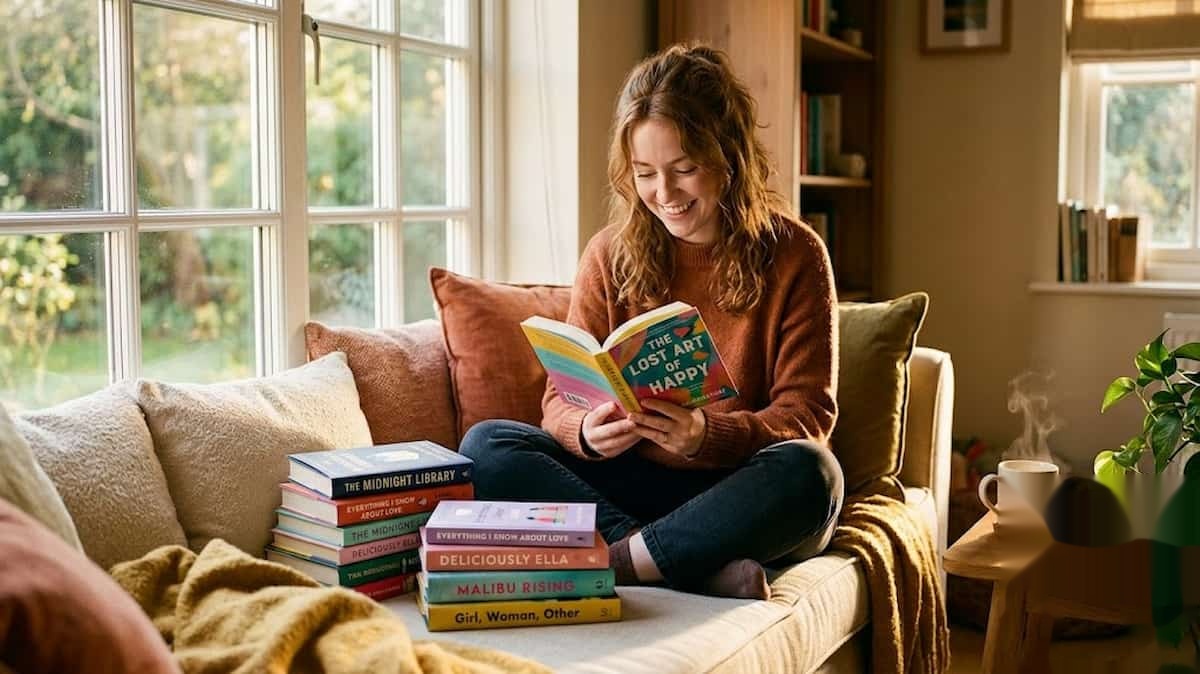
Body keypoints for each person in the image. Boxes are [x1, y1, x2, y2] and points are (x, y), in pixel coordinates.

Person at [459, 43, 843, 600]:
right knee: (486, 445)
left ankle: (615, 562)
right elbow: (556, 403)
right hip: (633, 485)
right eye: (645, 174)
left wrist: (707, 436)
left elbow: (807, 417)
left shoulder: (795, 255)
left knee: (814, 475)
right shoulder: (610, 254)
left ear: (728, 157)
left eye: (685, 170)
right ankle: (677, 562)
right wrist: (586, 433)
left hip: (734, 489)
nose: (665, 195)